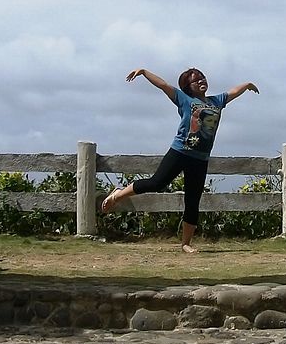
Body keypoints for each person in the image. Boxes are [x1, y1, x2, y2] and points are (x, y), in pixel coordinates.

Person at [100, 67, 258, 253]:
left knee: (193, 200)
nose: (201, 81)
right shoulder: (184, 100)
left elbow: (233, 92)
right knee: (157, 183)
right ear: (187, 87)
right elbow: (164, 85)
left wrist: (247, 85)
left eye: (202, 77)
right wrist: (143, 72)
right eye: (196, 80)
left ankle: (186, 244)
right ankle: (118, 195)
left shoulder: (217, 101)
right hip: (180, 152)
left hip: (200, 159)